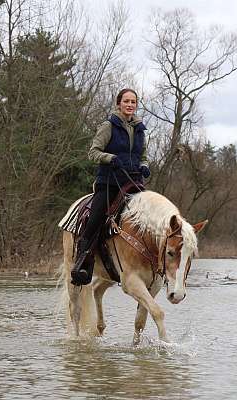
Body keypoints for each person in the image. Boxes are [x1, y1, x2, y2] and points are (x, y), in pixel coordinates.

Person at [71, 88, 150, 286]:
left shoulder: (140, 129)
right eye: (126, 101)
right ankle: (82, 263)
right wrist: (110, 158)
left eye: (133, 102)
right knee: (95, 218)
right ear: (119, 103)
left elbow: (144, 156)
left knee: (151, 219)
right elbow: (93, 152)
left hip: (134, 183)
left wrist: (145, 167)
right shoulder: (108, 126)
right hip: (109, 183)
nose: (130, 105)